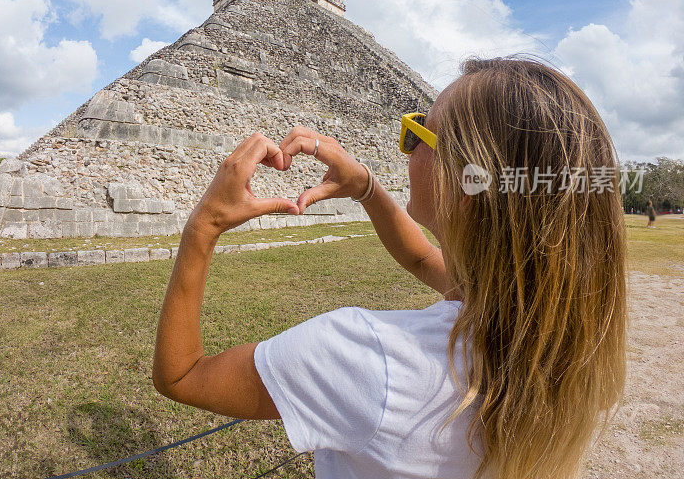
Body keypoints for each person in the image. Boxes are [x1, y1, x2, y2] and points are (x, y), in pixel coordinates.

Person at [153, 57, 627, 479]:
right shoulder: (555, 326)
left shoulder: (364, 357)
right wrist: (366, 187)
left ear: (465, 181)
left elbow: (182, 375)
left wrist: (205, 225)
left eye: (416, 133)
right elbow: (422, 259)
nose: (405, 144)